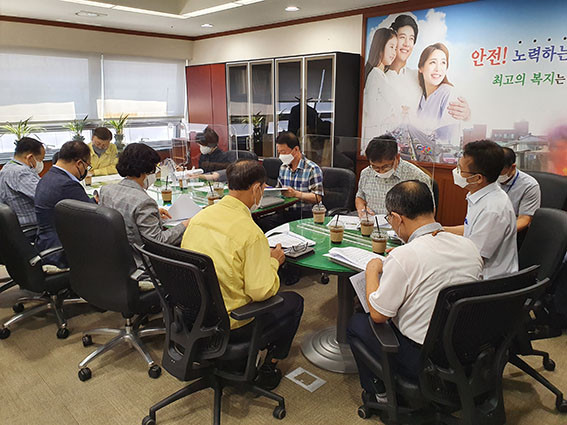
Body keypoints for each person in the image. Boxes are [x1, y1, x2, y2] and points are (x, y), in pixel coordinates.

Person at [347, 180, 482, 404]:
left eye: (390, 218)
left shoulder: (404, 256)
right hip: (467, 350)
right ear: (432, 209)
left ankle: (381, 395)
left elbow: (379, 316)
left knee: (357, 324)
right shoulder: (469, 246)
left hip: (423, 358)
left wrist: (372, 269)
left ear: (397, 218)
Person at [181, 159, 304, 389]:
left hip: (193, 316)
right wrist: (274, 262)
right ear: (257, 188)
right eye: (263, 188)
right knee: (294, 301)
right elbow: (261, 292)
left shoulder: (199, 218)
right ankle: (268, 367)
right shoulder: (251, 234)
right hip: (232, 324)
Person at [99, 143, 188, 267]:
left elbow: (124, 217)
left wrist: (153, 214)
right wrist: (185, 225)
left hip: (116, 260)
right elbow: (158, 242)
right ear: (146, 170)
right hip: (143, 264)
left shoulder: (106, 191)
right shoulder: (144, 202)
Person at [445, 140, 518, 279]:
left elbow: (473, 258)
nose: (456, 172)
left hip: (487, 282)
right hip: (475, 267)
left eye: (460, 169)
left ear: (478, 178)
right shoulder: (481, 194)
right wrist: (442, 230)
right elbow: (471, 230)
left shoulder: (493, 210)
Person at [385, 14, 470, 125]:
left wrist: (467, 114)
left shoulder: (417, 76)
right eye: (402, 37)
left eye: (411, 39)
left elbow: (441, 90)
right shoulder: (380, 77)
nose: (406, 44)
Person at [35, 140, 95, 268]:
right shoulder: (67, 185)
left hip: (46, 243)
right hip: (60, 251)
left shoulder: (48, 177)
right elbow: (94, 215)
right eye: (87, 166)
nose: (86, 170)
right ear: (79, 163)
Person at [356, 134, 431, 216]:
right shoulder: (366, 173)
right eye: (375, 167)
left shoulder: (418, 177)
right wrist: (362, 209)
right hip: (372, 221)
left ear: (397, 157)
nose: (381, 171)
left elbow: (428, 213)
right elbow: (360, 197)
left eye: (386, 166)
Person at [415, 43, 460, 146]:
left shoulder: (448, 93)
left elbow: (448, 138)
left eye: (443, 63)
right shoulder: (421, 96)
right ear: (421, 68)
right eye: (433, 62)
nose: (438, 69)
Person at [361, 28, 398, 144]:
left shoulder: (381, 75)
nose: (394, 53)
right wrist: (390, 114)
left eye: (395, 48)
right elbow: (371, 110)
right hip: (375, 136)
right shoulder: (375, 75)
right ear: (380, 46)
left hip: (380, 135)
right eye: (391, 47)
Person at [275, 131, 324, 218]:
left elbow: (317, 197)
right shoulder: (283, 167)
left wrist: (296, 194)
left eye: (283, 152)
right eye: (279, 152)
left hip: (305, 214)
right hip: (285, 211)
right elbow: (279, 190)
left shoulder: (312, 169)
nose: (281, 156)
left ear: (296, 149)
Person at [0, 137, 45, 228]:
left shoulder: (7, 168)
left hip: (15, 226)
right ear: (30, 157)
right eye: (40, 160)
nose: (41, 163)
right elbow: (45, 197)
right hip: (32, 227)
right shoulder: (21, 173)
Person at [498, 147, 541, 233]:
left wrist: (500, 233)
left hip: (512, 232)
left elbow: (524, 220)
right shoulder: (489, 178)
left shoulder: (529, 185)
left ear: (512, 167)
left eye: (499, 172)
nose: (495, 175)